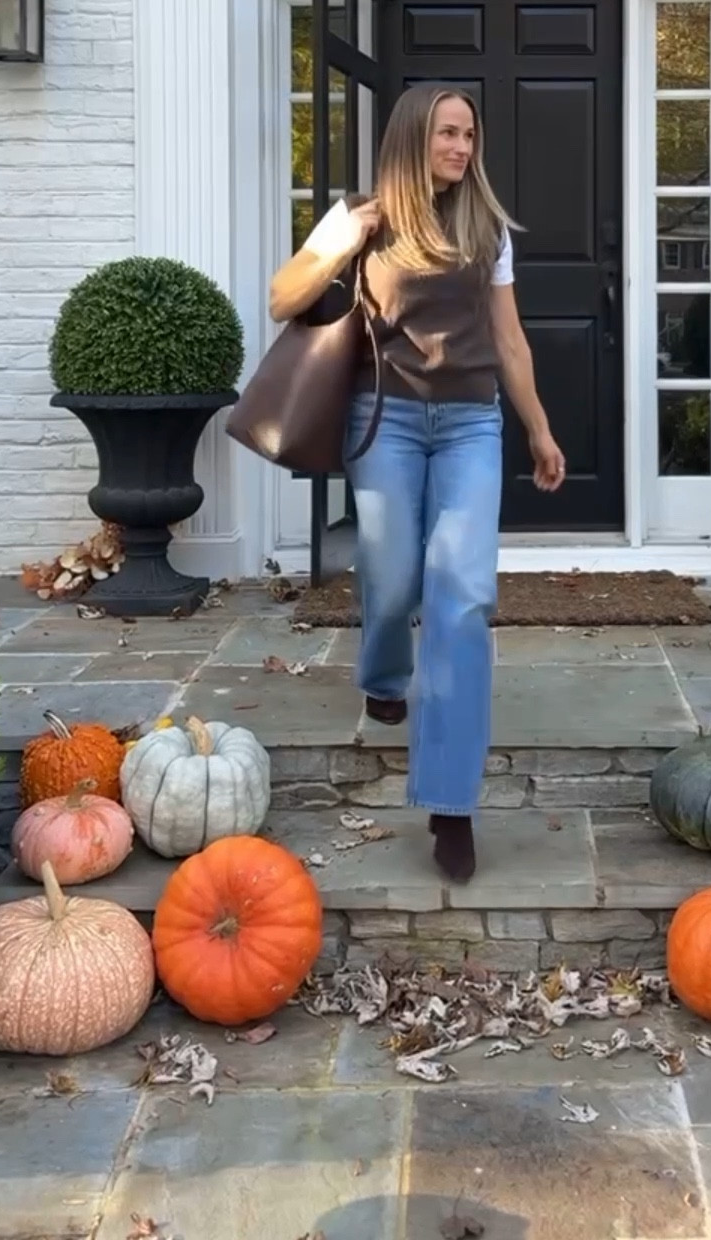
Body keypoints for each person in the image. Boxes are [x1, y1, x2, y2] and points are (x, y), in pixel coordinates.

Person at [269, 83, 565, 883]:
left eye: (470, 135)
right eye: (447, 134)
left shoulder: (487, 227)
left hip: (470, 424)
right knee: (391, 577)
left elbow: (509, 338)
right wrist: (340, 243)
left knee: (462, 595)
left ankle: (450, 805)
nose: (462, 149)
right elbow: (281, 297)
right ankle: (383, 677)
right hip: (386, 420)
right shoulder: (361, 216)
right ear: (412, 138)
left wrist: (537, 428)